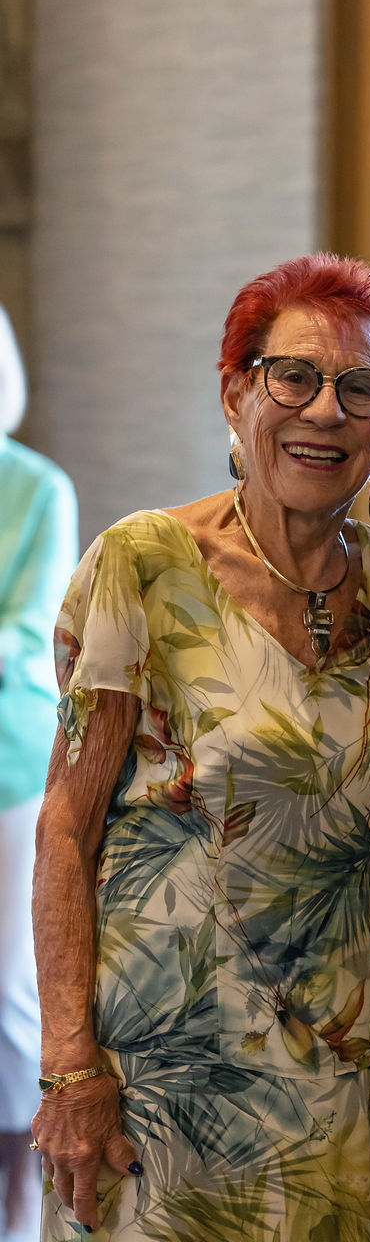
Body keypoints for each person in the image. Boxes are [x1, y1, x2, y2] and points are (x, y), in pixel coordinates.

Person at [29, 254, 370, 1242]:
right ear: (235, 394)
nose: (325, 409)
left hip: (338, 1078)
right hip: (154, 1082)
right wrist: (70, 1067)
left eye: (362, 387)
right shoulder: (144, 563)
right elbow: (66, 828)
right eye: (294, 376)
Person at [0, 306, 77, 1242]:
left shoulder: (35, 489)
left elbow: (27, 635)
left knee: (9, 989)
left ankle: (21, 1195)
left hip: (9, 760)